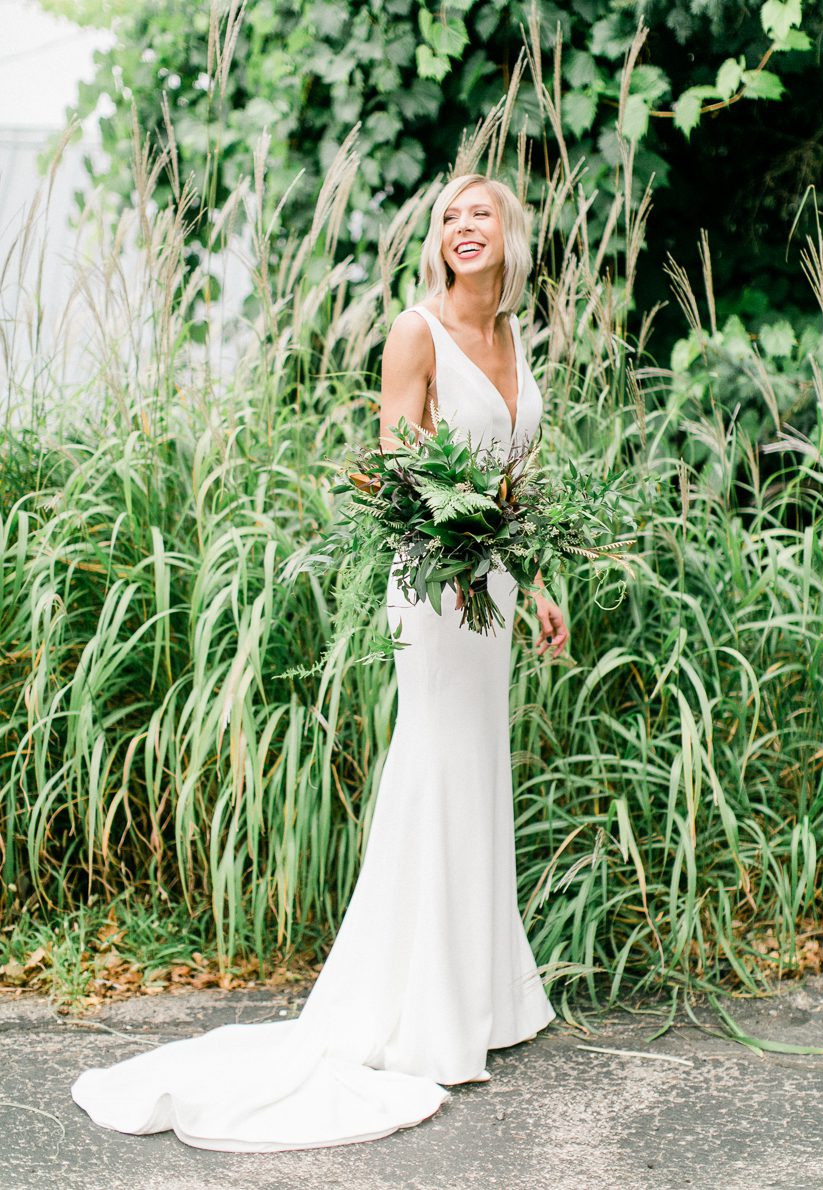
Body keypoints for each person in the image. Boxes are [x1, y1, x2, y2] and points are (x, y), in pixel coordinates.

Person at [70, 172, 568, 1151]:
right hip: (436, 586)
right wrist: (465, 545)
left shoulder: (515, 339)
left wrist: (538, 583)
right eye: (450, 218)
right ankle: (419, 1008)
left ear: (512, 236)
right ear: (438, 242)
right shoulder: (414, 330)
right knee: (433, 762)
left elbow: (519, 482)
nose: (465, 228)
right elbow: (397, 459)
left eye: (483, 215)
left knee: (480, 770)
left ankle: (481, 999)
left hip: (497, 585)